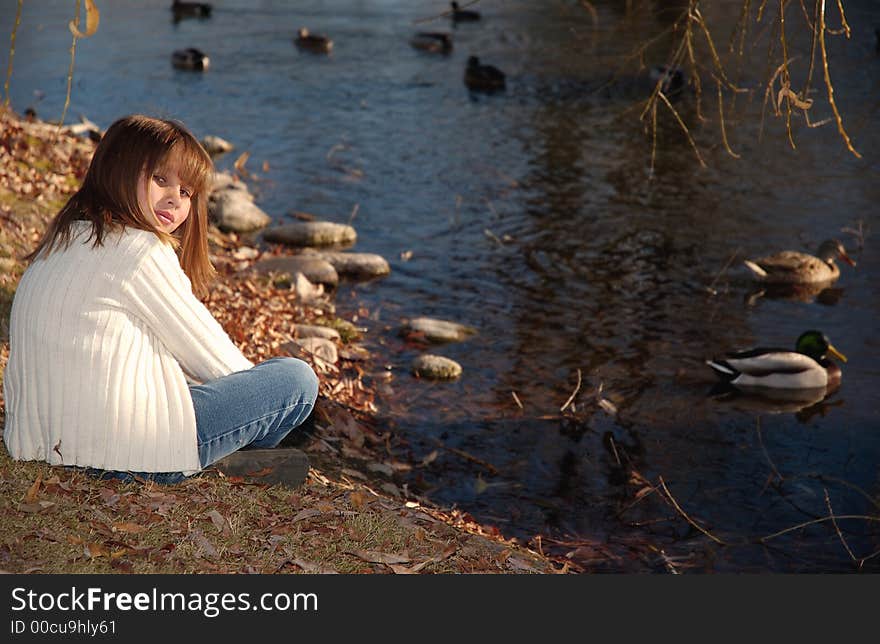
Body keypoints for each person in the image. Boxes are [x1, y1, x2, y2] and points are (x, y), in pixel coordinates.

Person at [2, 114, 318, 484]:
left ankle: (228, 457)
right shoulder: (139, 249)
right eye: (160, 179)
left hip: (40, 442)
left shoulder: (63, 239)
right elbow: (219, 364)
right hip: (123, 452)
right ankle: (229, 458)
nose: (174, 200)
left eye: (186, 192)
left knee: (186, 386)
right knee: (295, 379)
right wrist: (261, 398)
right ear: (119, 170)